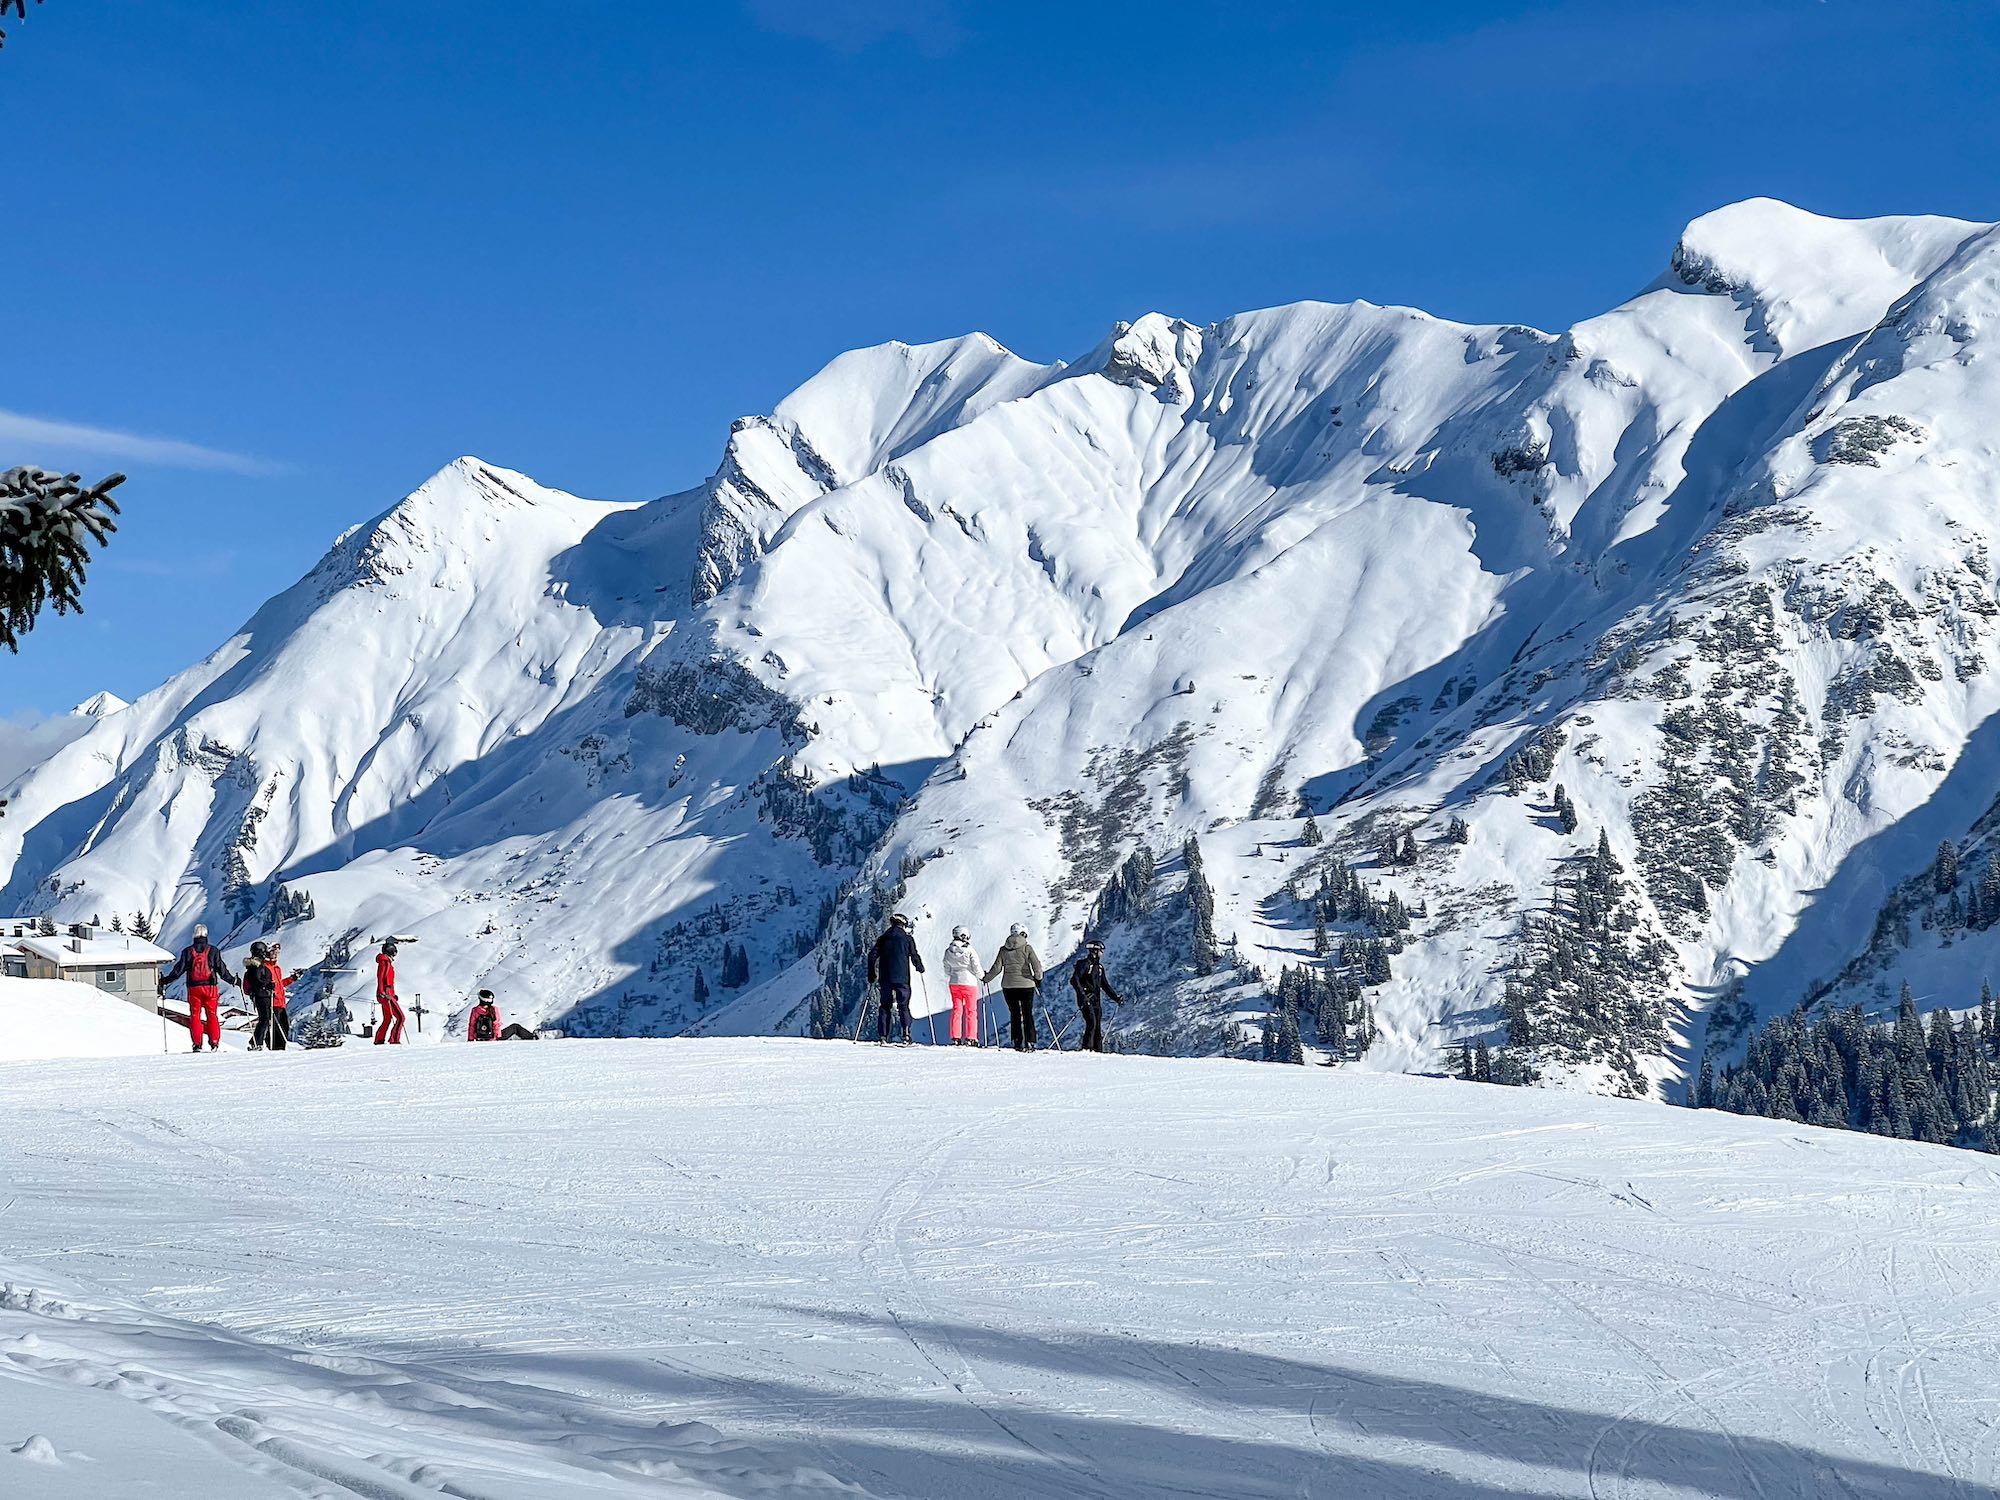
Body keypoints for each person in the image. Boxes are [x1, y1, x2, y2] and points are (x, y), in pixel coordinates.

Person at [161, 923, 238, 1053]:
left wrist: (165, 980)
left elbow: (178, 970)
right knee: (212, 1015)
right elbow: (222, 970)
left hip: (194, 989)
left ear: (194, 935)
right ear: (206, 935)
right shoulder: (213, 951)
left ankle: (197, 1044)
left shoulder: (187, 952)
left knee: (195, 1016)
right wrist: (234, 980)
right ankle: (214, 1043)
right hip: (210, 988)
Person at [983, 924, 1045, 1052]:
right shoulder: (1027, 948)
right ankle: (1030, 1042)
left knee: (1015, 1013)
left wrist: (986, 978)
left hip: (1008, 986)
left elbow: (997, 968)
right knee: (1028, 1013)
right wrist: (1037, 979)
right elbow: (1037, 967)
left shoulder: (1003, 950)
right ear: (1024, 934)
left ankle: (1017, 1042)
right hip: (1026, 985)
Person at [867, 913, 924, 1046]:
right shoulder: (907, 939)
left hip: (885, 977)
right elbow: (914, 955)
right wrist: (919, 967)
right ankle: (906, 1034)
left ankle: (883, 1036)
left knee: (885, 1006)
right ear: (903, 924)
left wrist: (871, 974)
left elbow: (872, 956)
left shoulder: (883, 938)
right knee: (903, 1006)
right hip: (902, 978)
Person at [1069, 938, 1124, 1053]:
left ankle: (1098, 1051)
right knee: (1091, 1023)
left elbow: (1105, 985)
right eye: (1101, 951)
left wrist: (1116, 998)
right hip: (1086, 999)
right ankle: (1086, 1049)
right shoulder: (1084, 964)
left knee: (1097, 1026)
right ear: (1095, 951)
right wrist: (1083, 995)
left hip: (1096, 1000)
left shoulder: (1099, 968)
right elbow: (1074, 980)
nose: (1102, 953)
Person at [942, 926, 984, 1046]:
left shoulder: (948, 950)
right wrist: (982, 976)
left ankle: (955, 1037)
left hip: (954, 982)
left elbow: (946, 968)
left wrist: (953, 974)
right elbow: (976, 966)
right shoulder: (969, 949)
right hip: (969, 983)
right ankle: (971, 1037)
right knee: (971, 1011)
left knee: (957, 1010)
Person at [244, 941, 278, 1051]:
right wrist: (268, 985)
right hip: (262, 995)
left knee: (264, 1019)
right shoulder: (257, 967)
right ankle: (256, 1042)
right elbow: (258, 981)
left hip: (260, 995)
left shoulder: (254, 966)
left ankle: (256, 1041)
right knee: (265, 1019)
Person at [375, 939, 406, 1046]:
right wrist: (383, 992)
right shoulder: (385, 962)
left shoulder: (386, 962)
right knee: (401, 1017)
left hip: (388, 993)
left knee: (388, 1018)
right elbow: (381, 977)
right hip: (386, 994)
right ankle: (394, 1040)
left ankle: (379, 1039)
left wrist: (392, 994)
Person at [266, 941, 291, 1051]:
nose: (276, 954)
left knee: (285, 1027)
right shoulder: (265, 968)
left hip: (281, 1003)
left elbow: (279, 984)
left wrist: (292, 979)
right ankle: (274, 1050)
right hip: (273, 1002)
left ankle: (281, 1050)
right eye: (273, 952)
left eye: (277, 952)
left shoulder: (276, 968)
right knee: (276, 1029)